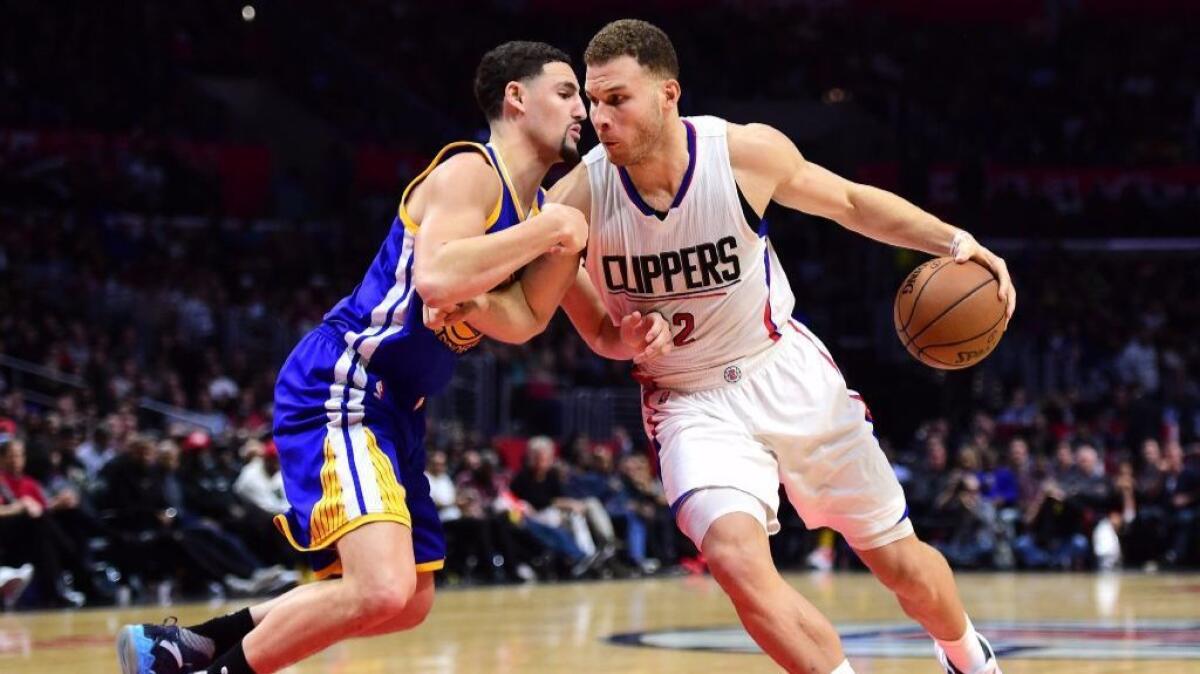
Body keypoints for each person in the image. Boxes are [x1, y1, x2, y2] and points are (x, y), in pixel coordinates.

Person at [117, 40, 629, 674]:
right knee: (380, 586)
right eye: (567, 92)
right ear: (515, 99)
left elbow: (524, 322)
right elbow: (438, 278)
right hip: (347, 383)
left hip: (399, 410)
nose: (581, 108)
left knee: (407, 599)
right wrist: (549, 234)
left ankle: (182, 647)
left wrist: (493, 297)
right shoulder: (471, 171)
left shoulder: (539, 212)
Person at [547, 19, 1016, 674]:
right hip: (689, 402)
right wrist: (618, 337)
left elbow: (850, 202)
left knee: (903, 566)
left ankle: (969, 656)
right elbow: (591, 328)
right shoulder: (576, 199)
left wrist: (954, 241)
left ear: (667, 94)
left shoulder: (741, 154)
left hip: (784, 369)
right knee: (737, 562)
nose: (600, 117)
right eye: (593, 101)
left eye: (617, 98)